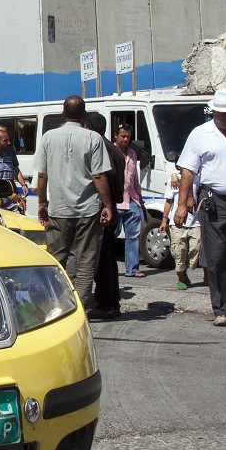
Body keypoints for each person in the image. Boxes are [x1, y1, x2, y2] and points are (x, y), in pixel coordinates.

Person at [36, 96, 115, 313]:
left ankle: (55, 305)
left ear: (63, 114)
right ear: (84, 115)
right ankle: (78, 308)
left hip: (59, 208)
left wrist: (42, 203)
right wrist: (107, 205)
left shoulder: (48, 137)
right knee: (86, 261)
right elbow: (98, 175)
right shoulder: (93, 138)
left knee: (56, 260)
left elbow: (42, 176)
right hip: (87, 210)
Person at [176, 88, 226, 326]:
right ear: (214, 112)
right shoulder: (200, 134)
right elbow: (188, 170)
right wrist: (182, 205)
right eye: (224, 113)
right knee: (217, 256)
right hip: (215, 200)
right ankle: (221, 308)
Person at [86, 111, 125, 319]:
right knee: (109, 259)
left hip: (103, 209)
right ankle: (112, 301)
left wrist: (105, 205)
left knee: (101, 260)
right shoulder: (115, 150)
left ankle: (105, 303)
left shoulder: (99, 148)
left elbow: (102, 179)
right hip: (112, 207)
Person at [113, 123, 146, 278]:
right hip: (116, 201)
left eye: (128, 137)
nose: (125, 139)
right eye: (123, 136)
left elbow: (135, 179)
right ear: (116, 136)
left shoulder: (132, 154)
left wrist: (139, 198)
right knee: (112, 234)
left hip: (131, 200)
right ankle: (106, 268)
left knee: (133, 236)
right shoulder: (110, 152)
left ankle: (132, 269)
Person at [161, 172, 202, 291]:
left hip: (195, 221)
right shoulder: (173, 181)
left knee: (195, 249)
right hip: (177, 222)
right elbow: (169, 201)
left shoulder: (197, 179)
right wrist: (164, 220)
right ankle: (181, 277)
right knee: (179, 251)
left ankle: (184, 271)